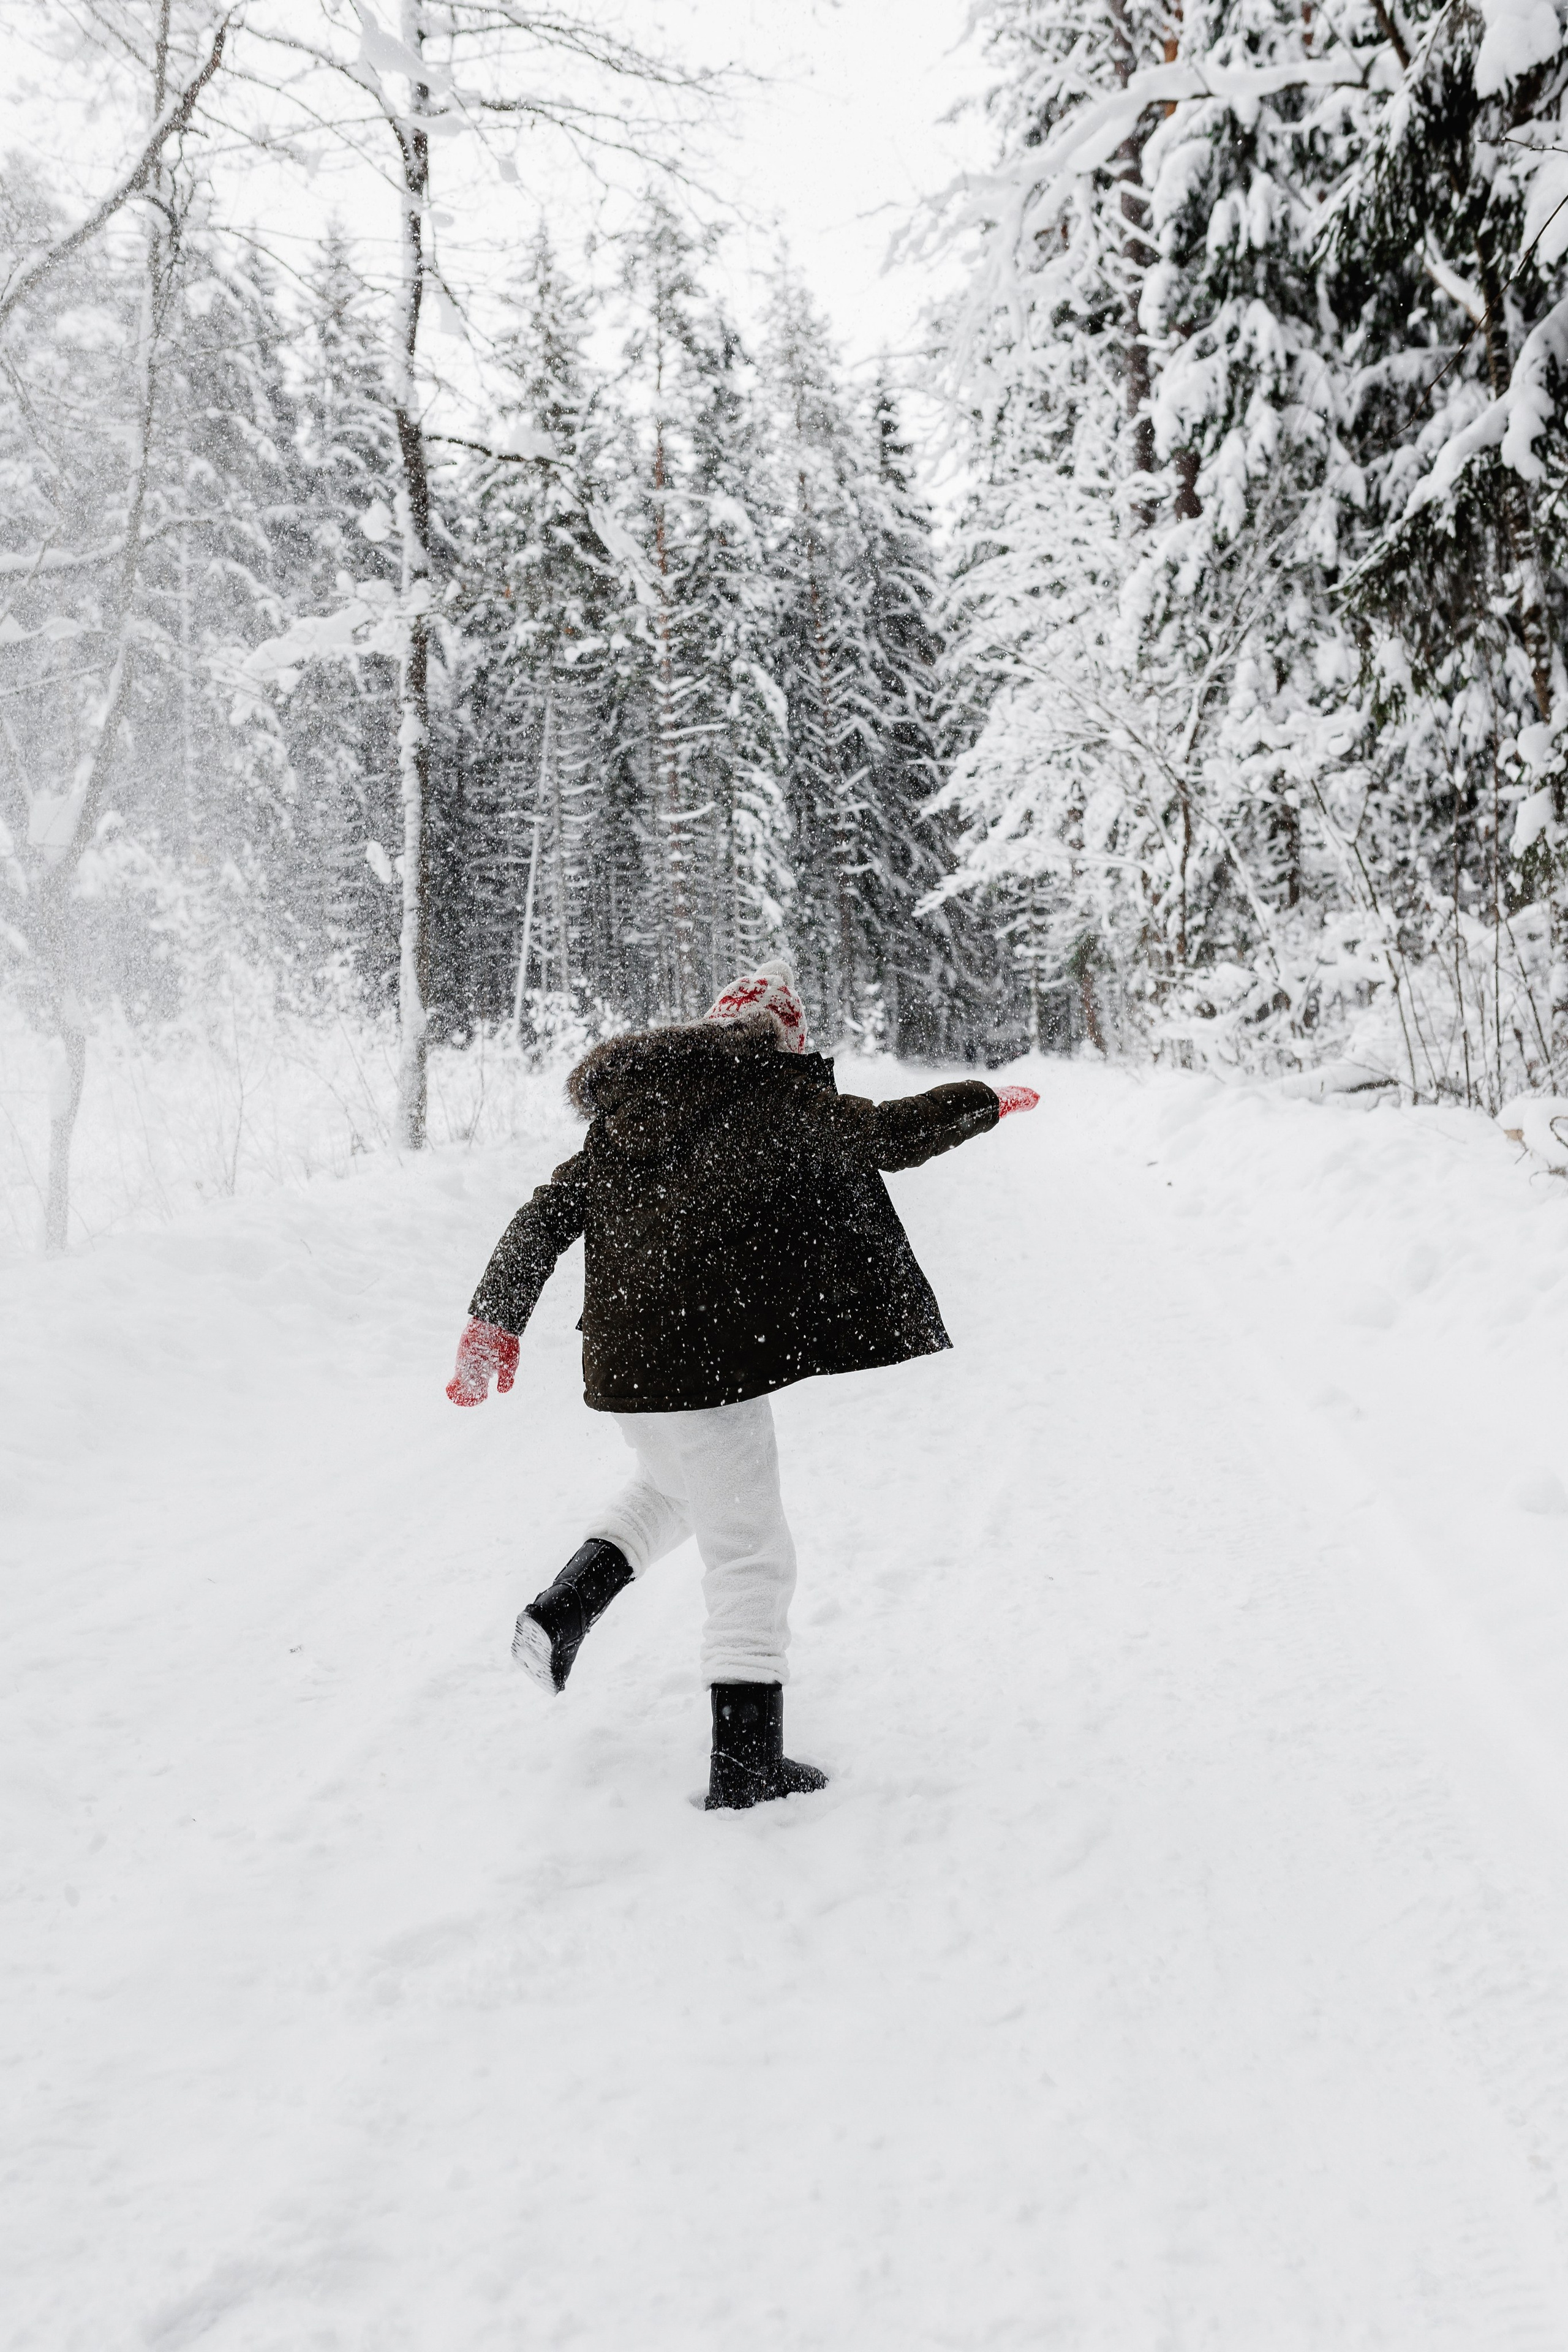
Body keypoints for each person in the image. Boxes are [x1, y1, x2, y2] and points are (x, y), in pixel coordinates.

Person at [447, 962, 1038, 1810]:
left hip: (625, 1363)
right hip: (705, 1366)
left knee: (672, 1490)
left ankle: (561, 1614)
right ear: (781, 1040)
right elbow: (887, 1135)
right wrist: (982, 1100)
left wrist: (494, 1317)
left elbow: (548, 1211)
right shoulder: (774, 1099)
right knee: (753, 1555)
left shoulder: (628, 1114)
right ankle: (747, 1767)